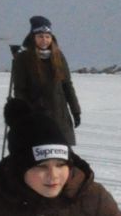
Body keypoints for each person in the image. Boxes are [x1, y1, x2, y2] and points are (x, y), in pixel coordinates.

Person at [8, 15, 80, 147]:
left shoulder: (58, 56)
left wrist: (76, 111)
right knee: (41, 155)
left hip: (60, 116)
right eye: (40, 36)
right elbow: (20, 90)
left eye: (47, 36)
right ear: (33, 38)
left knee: (63, 156)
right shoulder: (23, 59)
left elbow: (67, 85)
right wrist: (26, 115)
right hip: (36, 115)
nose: (44, 40)